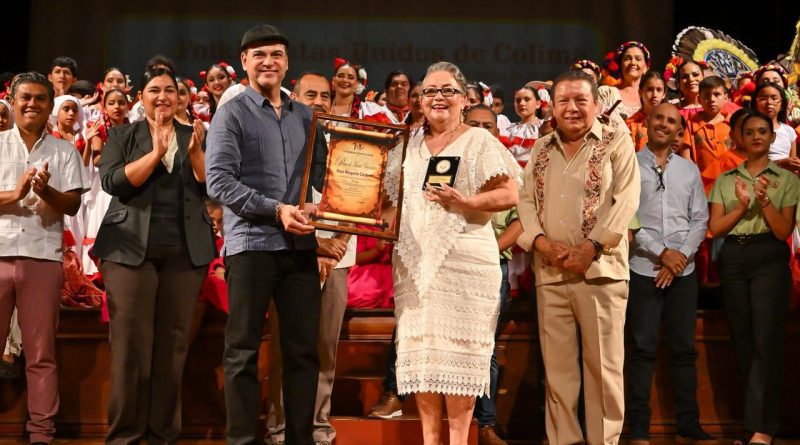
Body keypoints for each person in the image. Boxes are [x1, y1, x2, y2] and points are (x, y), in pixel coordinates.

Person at [205, 24, 328, 445]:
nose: (268, 61)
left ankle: (300, 439)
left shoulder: (306, 115)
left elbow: (321, 172)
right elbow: (218, 182)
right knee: (241, 353)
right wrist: (277, 210)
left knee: (301, 354)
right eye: (259, 55)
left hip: (299, 248)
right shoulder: (232, 112)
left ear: (287, 62)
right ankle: (242, 441)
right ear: (244, 62)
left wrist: (315, 204)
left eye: (276, 54)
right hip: (251, 247)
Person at [392, 61, 518, 445]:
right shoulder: (406, 145)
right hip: (415, 266)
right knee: (425, 359)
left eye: (447, 90)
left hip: (467, 265)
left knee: (460, 362)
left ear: (464, 99)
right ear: (420, 101)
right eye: (430, 91)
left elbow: (512, 194)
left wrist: (467, 200)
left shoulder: (480, 141)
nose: (438, 98)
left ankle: (460, 441)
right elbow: (388, 202)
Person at [516, 69, 640, 445]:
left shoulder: (616, 140)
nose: (571, 109)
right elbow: (524, 201)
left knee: (603, 373)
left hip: (600, 272)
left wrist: (592, 247)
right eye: (563, 101)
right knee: (558, 376)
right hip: (551, 274)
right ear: (551, 106)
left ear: (596, 104)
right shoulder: (541, 148)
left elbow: (628, 198)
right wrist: (540, 243)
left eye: (580, 100)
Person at [93, 67, 212, 444]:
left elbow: (213, 187)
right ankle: (125, 436)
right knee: (129, 346)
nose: (162, 96)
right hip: (129, 250)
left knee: (172, 347)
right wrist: (156, 154)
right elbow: (112, 181)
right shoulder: (123, 134)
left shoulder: (195, 135)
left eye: (170, 90)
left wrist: (194, 155)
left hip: (184, 252)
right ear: (140, 98)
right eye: (153, 90)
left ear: (181, 98)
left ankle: (163, 435)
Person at [264, 69, 357, 445]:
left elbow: (359, 201)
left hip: (338, 258)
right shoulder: (277, 142)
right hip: (290, 254)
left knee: (325, 349)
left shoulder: (348, 143)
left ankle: (318, 428)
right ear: (294, 98)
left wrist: (334, 247)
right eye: (310, 96)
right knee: (287, 348)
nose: (318, 102)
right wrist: (316, 246)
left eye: (324, 96)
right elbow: (272, 200)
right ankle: (280, 428)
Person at [0, 71, 88, 444]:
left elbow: (71, 203)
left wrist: (45, 190)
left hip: (42, 257)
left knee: (40, 353)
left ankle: (41, 435)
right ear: (13, 101)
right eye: (25, 98)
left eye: (40, 98)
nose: (32, 104)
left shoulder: (64, 151)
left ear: (50, 106)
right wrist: (17, 193)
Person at [708, 110, 798, 445]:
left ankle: (763, 427)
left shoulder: (786, 180)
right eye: (750, 131)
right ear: (740, 138)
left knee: (766, 341)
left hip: (768, 259)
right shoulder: (726, 178)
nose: (757, 136)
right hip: (733, 257)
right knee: (742, 340)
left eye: (763, 131)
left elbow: (782, 230)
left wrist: (764, 203)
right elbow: (714, 228)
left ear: (772, 138)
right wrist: (742, 208)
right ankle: (753, 425)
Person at [626, 103, 712, 444]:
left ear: (679, 130)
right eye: (659, 117)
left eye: (672, 121)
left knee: (683, 349)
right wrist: (662, 254)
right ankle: (638, 429)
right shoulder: (628, 166)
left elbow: (700, 220)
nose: (664, 124)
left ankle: (688, 423)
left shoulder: (689, 171)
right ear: (647, 123)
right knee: (642, 348)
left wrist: (679, 259)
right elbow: (628, 219)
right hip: (643, 268)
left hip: (683, 272)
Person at [464, 103, 524, 445]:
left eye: (489, 125)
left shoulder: (510, 168)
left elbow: (523, 219)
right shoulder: (449, 163)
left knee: (485, 346)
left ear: (498, 132)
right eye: (475, 124)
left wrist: (489, 250)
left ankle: (484, 425)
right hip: (452, 263)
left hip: (491, 264)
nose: (483, 130)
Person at [679, 76, 731, 172]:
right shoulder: (691, 123)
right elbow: (685, 155)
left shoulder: (733, 124)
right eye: (707, 95)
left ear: (726, 98)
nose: (712, 99)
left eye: (717, 94)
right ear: (699, 99)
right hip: (701, 182)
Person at [750, 82, 798, 169]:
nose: (769, 102)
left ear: (782, 105)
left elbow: (792, 162)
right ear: (755, 104)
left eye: (774, 98)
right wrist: (780, 162)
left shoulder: (789, 131)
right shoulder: (748, 130)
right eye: (763, 98)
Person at [599, 41, 651, 120]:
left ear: (646, 68)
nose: (633, 62)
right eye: (627, 58)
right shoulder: (606, 93)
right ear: (620, 65)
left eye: (638, 59)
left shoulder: (653, 95)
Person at [502, 86, 544, 167]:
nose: (521, 103)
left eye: (527, 99)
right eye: (518, 100)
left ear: (538, 104)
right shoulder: (509, 129)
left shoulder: (543, 126)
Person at [625, 71, 667, 151]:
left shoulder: (670, 124)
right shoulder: (630, 124)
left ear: (664, 94)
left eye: (659, 90)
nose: (654, 95)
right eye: (650, 90)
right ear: (640, 92)